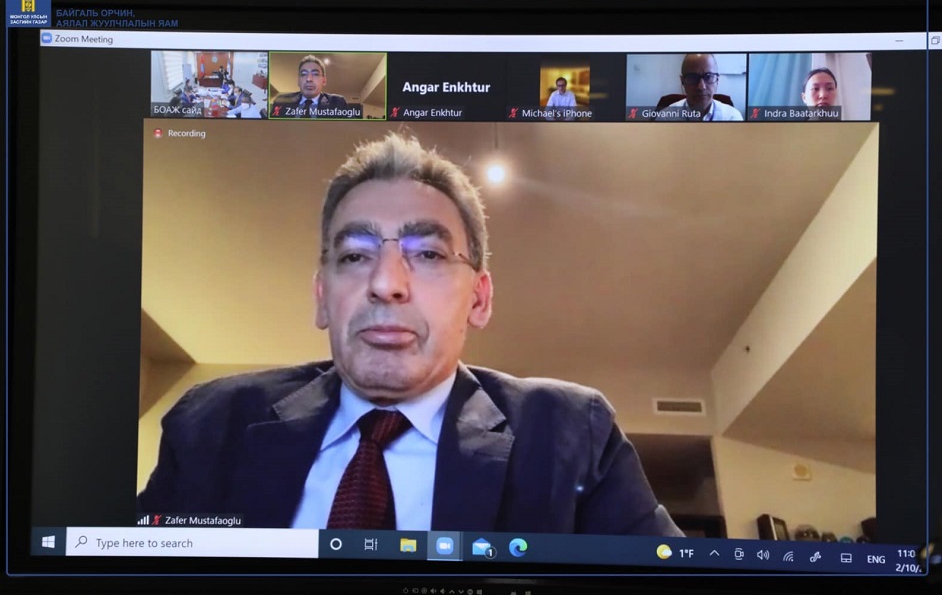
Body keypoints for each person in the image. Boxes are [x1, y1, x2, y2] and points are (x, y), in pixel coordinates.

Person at [137, 133, 684, 537]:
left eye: (428, 254)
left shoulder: (573, 435)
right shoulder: (210, 425)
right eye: (355, 256)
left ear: (479, 299)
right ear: (322, 297)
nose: (386, 284)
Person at [667, 53, 743, 121]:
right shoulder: (667, 117)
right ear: (682, 81)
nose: (701, 87)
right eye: (693, 77)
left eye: (708, 77)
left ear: (717, 80)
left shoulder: (732, 117)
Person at [271, 54, 349, 116]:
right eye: (304, 74)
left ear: (324, 81)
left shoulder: (338, 103)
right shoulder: (281, 101)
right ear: (298, 81)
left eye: (315, 74)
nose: (309, 79)